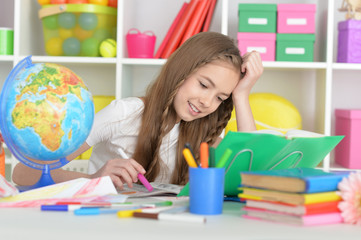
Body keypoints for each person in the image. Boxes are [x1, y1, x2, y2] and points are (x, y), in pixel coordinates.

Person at [12, 32, 263, 189]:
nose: (208, 102)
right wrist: (95, 180)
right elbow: (23, 173)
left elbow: (252, 177)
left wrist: (241, 95)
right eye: (203, 85)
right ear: (181, 72)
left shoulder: (204, 131)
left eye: (221, 97)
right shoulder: (124, 114)